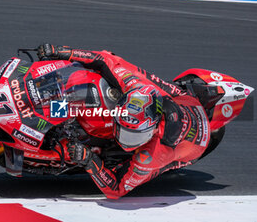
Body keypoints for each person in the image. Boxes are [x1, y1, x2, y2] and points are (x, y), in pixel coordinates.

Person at [37, 44, 211, 199]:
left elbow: (116, 189)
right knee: (114, 72)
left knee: (144, 167)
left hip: (191, 148)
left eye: (132, 136)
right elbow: (104, 59)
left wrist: (90, 161)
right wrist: (64, 52)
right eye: (122, 130)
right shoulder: (135, 87)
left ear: (152, 129)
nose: (123, 139)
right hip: (182, 99)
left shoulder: (152, 154)